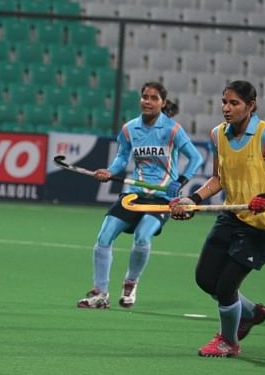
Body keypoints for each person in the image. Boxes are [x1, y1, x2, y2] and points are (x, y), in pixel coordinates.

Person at [170, 80, 265, 358]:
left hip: (263, 224)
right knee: (205, 279)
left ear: (251, 106)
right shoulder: (218, 135)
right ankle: (251, 313)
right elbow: (218, 178)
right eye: (224, 102)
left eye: (234, 103)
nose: (226, 109)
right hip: (231, 215)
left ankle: (228, 342)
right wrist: (193, 200)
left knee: (227, 286)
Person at [77, 81, 203, 309]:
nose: (147, 101)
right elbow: (121, 158)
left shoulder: (172, 129)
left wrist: (180, 181)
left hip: (162, 198)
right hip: (133, 195)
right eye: (145, 96)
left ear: (162, 103)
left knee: (143, 237)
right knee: (103, 238)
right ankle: (100, 293)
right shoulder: (129, 129)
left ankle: (131, 283)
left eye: (154, 98)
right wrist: (109, 171)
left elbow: (196, 158)